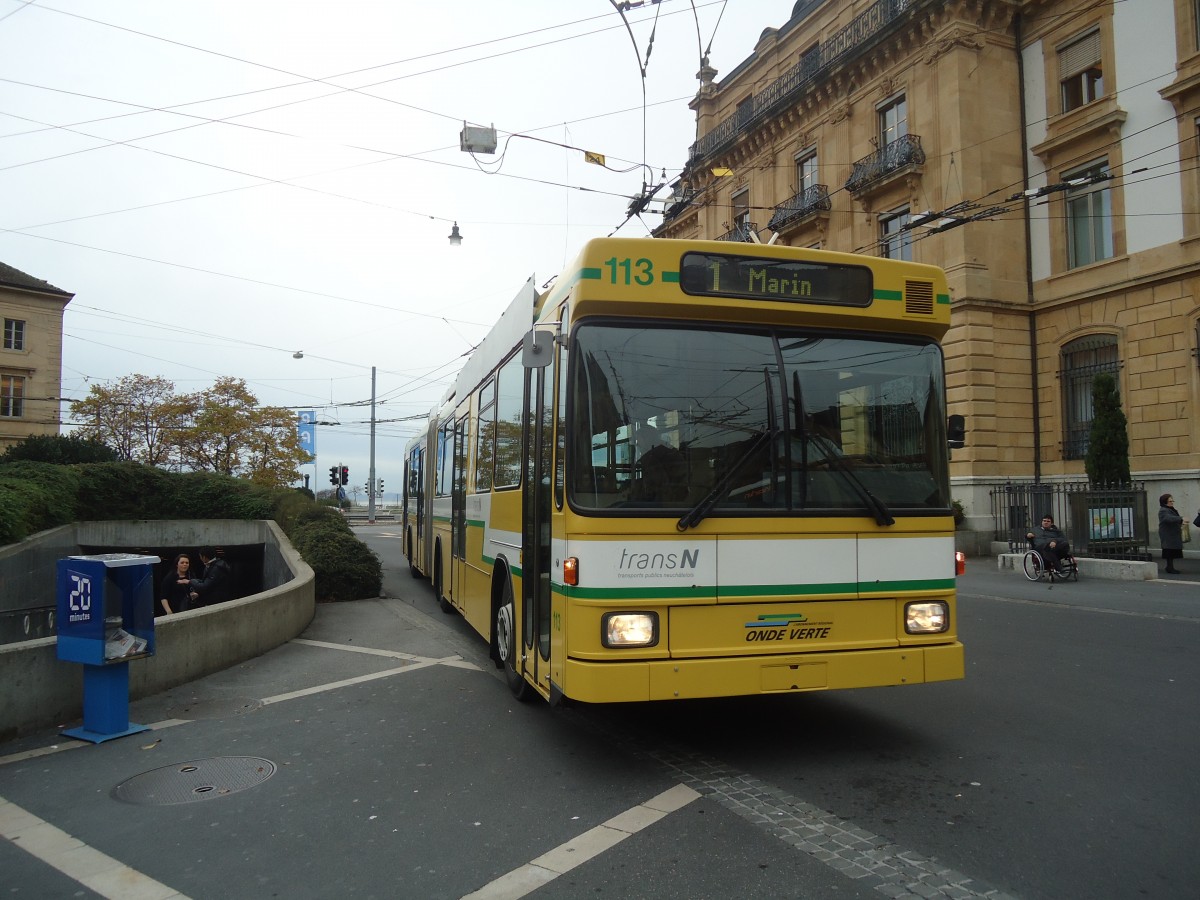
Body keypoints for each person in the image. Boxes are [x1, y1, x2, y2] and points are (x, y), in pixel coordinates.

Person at [1157, 493, 1184, 575]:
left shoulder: (1170, 509)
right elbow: (1167, 518)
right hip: (1167, 534)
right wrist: (1181, 519)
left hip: (1172, 533)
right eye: (1170, 501)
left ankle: (1170, 567)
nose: (1172, 502)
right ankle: (1170, 567)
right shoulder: (1163, 510)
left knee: (1172, 551)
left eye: (1172, 501)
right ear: (1165, 502)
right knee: (1169, 550)